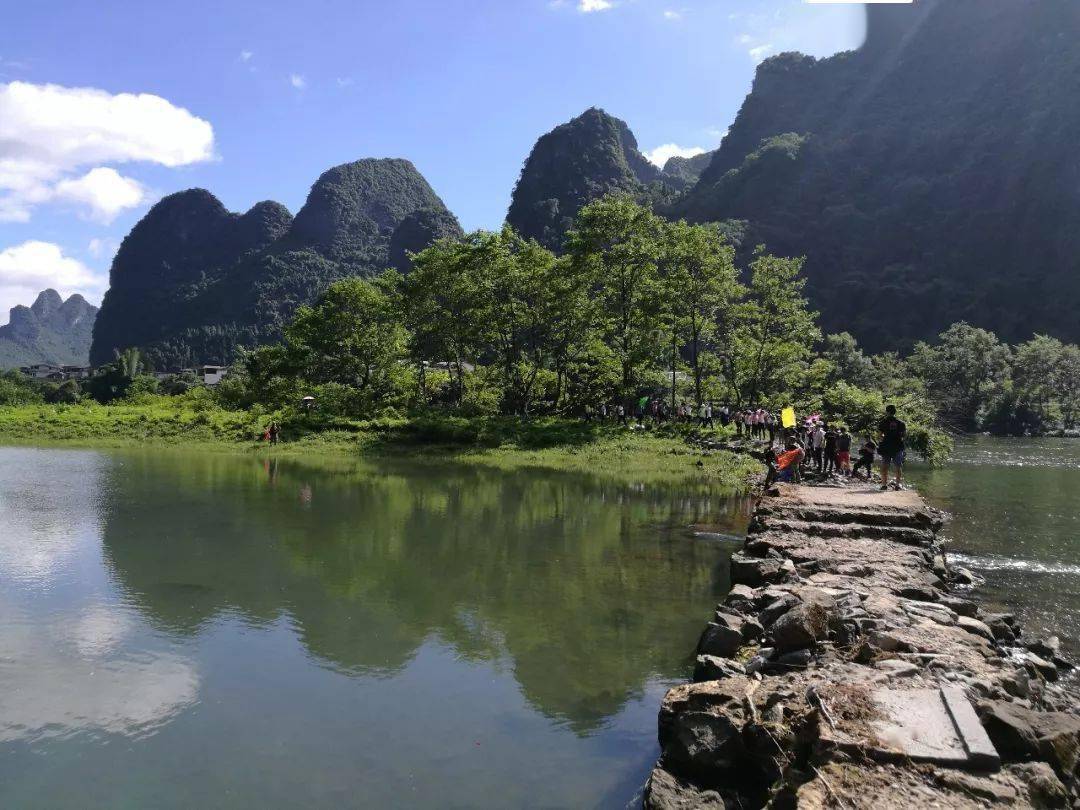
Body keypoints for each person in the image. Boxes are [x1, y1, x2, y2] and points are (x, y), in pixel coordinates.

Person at [878, 404, 907, 490]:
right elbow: (904, 436)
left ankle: (884, 485)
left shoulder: (883, 422)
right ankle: (897, 485)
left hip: (886, 446)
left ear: (887, 412)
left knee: (885, 466)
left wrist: (884, 438)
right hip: (898, 447)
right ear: (895, 412)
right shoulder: (901, 423)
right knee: (898, 466)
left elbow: (879, 436)